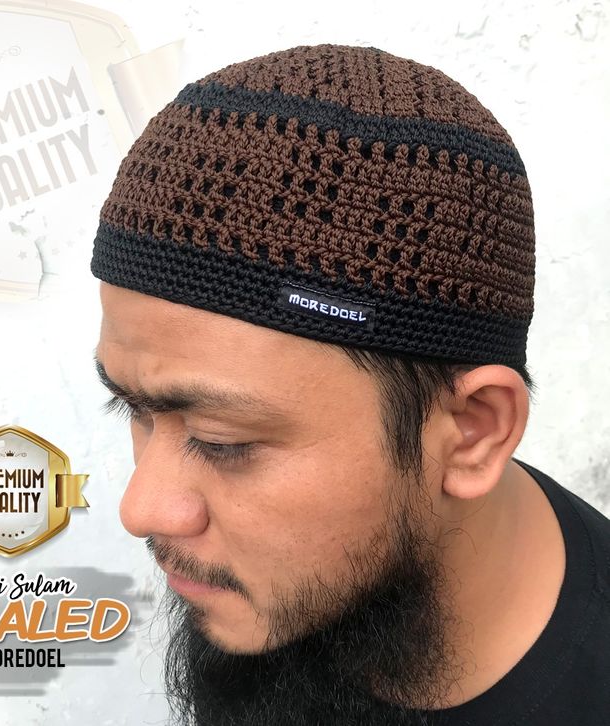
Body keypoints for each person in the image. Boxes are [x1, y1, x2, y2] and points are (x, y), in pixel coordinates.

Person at [90, 43, 610, 725]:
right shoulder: (288, 592)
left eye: (223, 442)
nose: (142, 509)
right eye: (132, 408)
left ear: (472, 433)